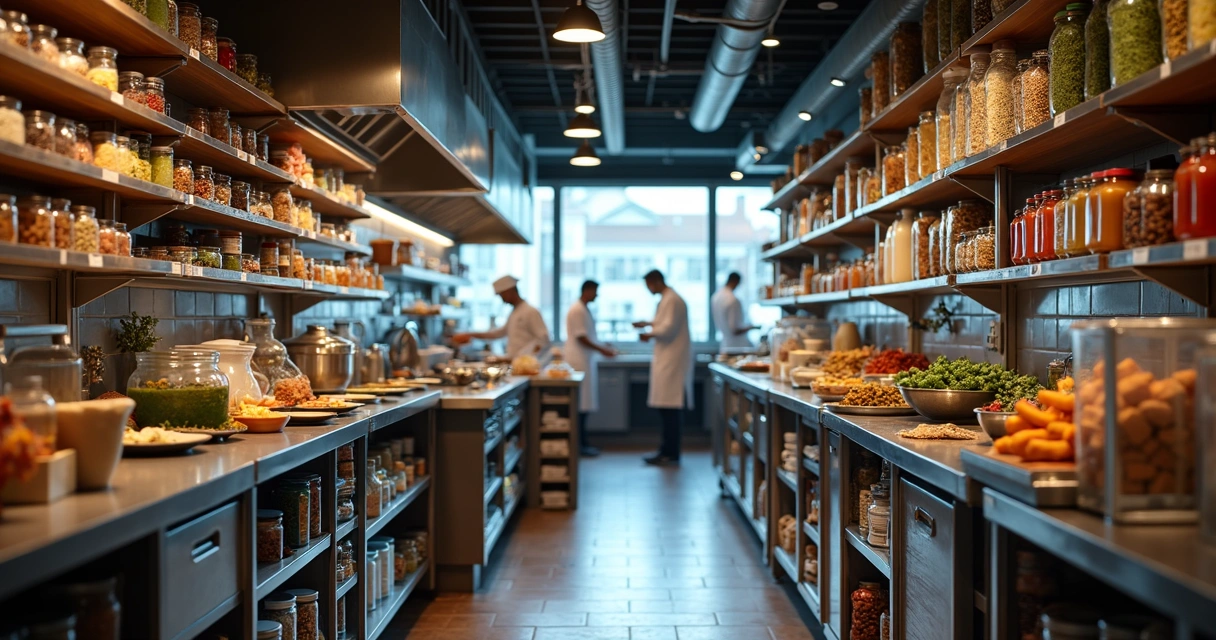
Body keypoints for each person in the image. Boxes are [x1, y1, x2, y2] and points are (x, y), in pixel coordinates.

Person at [633, 269, 692, 466]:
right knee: (666, 410)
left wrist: (648, 334)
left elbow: (668, 329)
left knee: (670, 410)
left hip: (672, 362)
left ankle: (670, 452)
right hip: (667, 359)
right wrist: (648, 323)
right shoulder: (667, 299)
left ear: (655, 281)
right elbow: (664, 322)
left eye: (648, 285)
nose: (648, 289)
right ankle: (666, 450)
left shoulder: (672, 299)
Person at [565, 280, 617, 457]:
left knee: (584, 406)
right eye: (595, 291)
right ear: (587, 290)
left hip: (585, 360)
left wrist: (602, 344)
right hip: (578, 361)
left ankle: (583, 443)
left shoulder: (583, 308)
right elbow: (581, 338)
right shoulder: (577, 309)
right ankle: (579, 445)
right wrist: (602, 349)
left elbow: (588, 336)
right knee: (580, 406)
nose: (597, 295)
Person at [454, 275, 549, 359]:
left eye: (502, 295)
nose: (502, 299)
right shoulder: (515, 312)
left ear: (510, 291)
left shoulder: (530, 311)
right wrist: (471, 335)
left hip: (526, 365)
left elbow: (543, 339)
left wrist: (524, 356)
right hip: (515, 362)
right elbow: (499, 333)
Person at [711, 271, 758, 353]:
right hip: (737, 347)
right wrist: (751, 327)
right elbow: (734, 329)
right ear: (736, 281)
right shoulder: (732, 299)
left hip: (725, 346)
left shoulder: (716, 297)